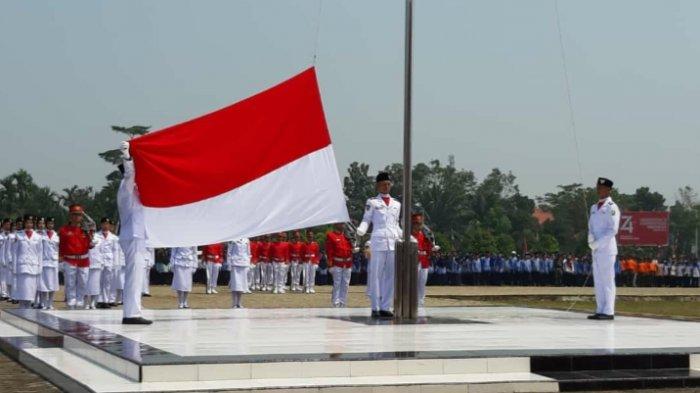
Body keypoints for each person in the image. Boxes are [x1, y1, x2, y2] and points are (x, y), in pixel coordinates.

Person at [356, 172, 402, 318]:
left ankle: (385, 307)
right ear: (378, 185)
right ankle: (375, 307)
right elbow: (366, 218)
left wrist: (406, 235)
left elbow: (396, 225)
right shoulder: (372, 202)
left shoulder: (397, 204)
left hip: (393, 242)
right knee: (375, 275)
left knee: (390, 276)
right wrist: (362, 229)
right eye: (383, 184)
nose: (386, 186)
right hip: (378, 241)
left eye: (388, 184)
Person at [117, 141, 152, 324]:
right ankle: (131, 314)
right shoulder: (125, 187)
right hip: (132, 236)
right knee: (134, 275)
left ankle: (133, 311)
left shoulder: (135, 191)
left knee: (137, 275)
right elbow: (130, 174)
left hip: (136, 236)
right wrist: (127, 157)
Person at [587, 177, 621, 320]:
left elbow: (613, 230)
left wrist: (598, 243)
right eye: (597, 187)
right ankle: (600, 308)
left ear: (608, 190)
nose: (598, 190)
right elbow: (591, 226)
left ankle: (608, 310)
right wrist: (590, 237)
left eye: (601, 188)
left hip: (606, 249)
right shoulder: (594, 208)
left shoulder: (612, 207)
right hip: (595, 250)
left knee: (607, 280)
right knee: (598, 280)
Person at [59, 204, 93, 309]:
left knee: (83, 281)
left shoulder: (86, 230)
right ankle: (71, 300)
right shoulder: (64, 230)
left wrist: (90, 237)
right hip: (70, 260)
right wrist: (60, 257)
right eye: (74, 214)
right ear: (70, 216)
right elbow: (60, 244)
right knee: (70, 282)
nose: (77, 217)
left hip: (84, 260)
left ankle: (80, 300)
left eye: (79, 215)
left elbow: (90, 244)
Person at [12, 215, 43, 309]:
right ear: (24, 223)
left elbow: (40, 253)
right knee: (22, 289)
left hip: (34, 266)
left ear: (33, 223)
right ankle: (22, 307)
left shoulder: (38, 236)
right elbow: (15, 252)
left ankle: (28, 307)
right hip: (22, 266)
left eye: (31, 222)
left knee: (31, 290)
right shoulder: (18, 235)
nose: (29, 224)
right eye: (27, 222)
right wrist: (14, 267)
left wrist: (40, 266)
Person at [411, 213, 437, 307]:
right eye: (417, 223)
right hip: (414, 262)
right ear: (413, 224)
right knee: (414, 282)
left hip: (424, 262)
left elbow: (429, 248)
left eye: (420, 223)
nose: (419, 225)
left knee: (422, 282)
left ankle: (421, 300)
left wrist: (433, 248)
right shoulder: (409, 235)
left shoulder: (425, 235)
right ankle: (413, 299)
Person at [326, 223, 354, 307]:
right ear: (336, 225)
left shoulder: (347, 236)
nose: (343, 226)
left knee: (346, 283)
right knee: (337, 283)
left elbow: (350, 248)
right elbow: (329, 251)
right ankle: (335, 302)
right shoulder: (331, 235)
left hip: (347, 263)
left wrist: (353, 247)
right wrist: (330, 264)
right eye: (341, 224)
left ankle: (343, 301)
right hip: (337, 263)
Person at [94, 218, 120, 309]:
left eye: (107, 224)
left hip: (109, 261)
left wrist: (115, 264)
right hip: (99, 260)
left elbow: (115, 251)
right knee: (98, 281)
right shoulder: (96, 235)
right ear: (101, 225)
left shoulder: (114, 237)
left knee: (107, 282)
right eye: (104, 224)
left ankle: (105, 300)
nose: (105, 225)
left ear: (109, 225)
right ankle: (98, 300)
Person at [38, 217, 60, 309]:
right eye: (49, 223)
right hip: (44, 262)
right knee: (43, 284)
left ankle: (50, 303)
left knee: (53, 284)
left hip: (53, 262)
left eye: (52, 224)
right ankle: (43, 303)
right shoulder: (40, 235)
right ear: (46, 224)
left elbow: (59, 249)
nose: (50, 225)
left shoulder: (56, 235)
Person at [226, 238, 251, 308]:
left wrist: (248, 264)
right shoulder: (232, 240)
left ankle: (239, 302)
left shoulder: (246, 240)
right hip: (235, 263)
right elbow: (229, 253)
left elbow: (248, 253)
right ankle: (234, 303)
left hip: (244, 263)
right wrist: (229, 264)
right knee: (235, 284)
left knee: (242, 285)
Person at [0, 218, 12, 300]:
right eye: (6, 224)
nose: (8, 226)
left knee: (9, 276)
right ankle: (3, 293)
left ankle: (8, 294)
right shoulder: (1, 236)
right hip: (2, 257)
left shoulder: (11, 235)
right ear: (3, 225)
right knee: (2, 276)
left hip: (9, 258)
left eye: (9, 224)